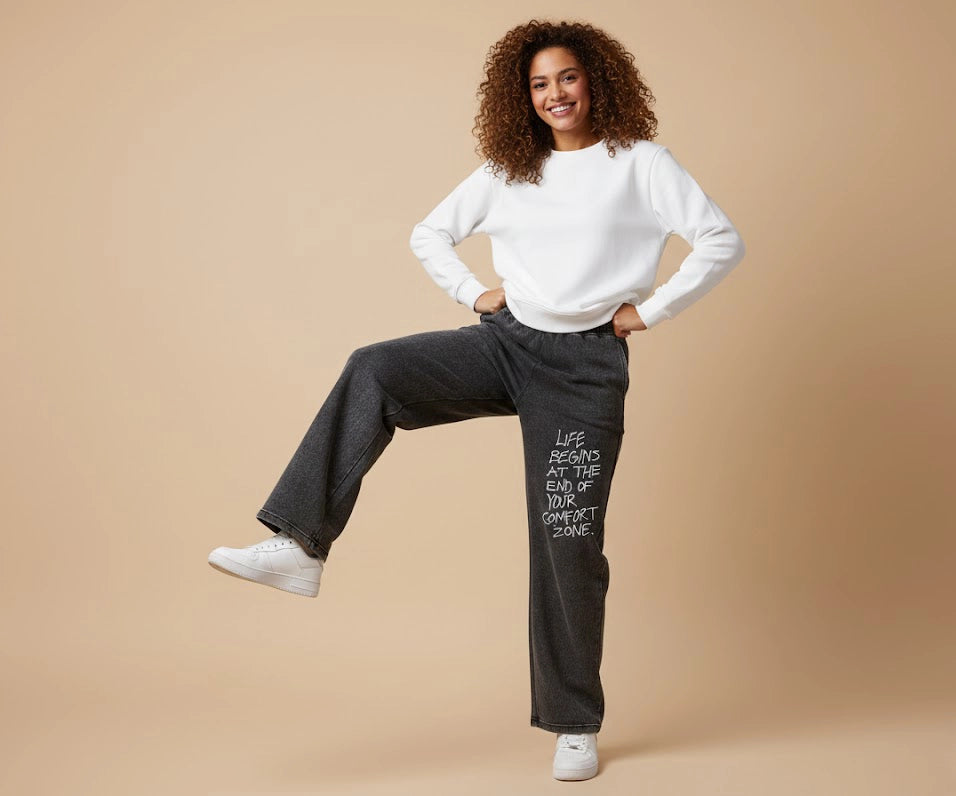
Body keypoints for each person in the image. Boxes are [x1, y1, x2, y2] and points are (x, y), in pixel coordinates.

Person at [208, 18, 745, 782]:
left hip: (584, 368)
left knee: (566, 541)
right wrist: (472, 292)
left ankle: (573, 723)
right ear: (522, 97)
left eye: (567, 77)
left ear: (596, 80)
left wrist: (648, 311)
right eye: (539, 83)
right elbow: (430, 233)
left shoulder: (641, 164)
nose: (555, 94)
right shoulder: (509, 169)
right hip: (507, 344)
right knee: (376, 369)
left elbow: (720, 239)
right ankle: (300, 545)